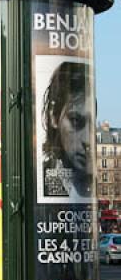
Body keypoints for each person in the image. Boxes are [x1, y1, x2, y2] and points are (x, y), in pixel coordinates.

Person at [42, 61, 94, 200]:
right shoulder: (44, 178)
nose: (88, 139)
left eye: (93, 124)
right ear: (53, 116)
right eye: (76, 121)